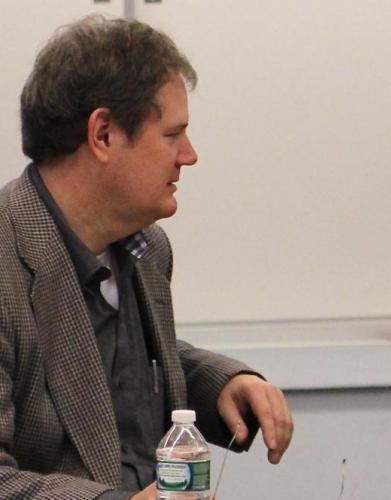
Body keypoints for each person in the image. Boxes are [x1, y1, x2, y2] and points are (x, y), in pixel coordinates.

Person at [0, 16, 293, 499]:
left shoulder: (146, 249)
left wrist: (219, 384)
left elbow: (104, 366)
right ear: (104, 135)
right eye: (172, 135)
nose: (190, 155)